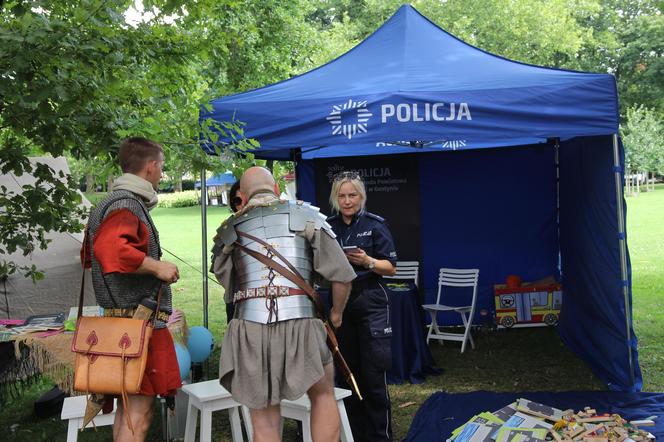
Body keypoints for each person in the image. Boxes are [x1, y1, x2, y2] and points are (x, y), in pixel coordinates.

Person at [211, 166, 356, 442]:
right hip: (302, 320)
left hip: (250, 328)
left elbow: (228, 285)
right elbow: (342, 275)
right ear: (276, 189)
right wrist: (336, 314)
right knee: (323, 395)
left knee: (264, 418)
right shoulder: (307, 216)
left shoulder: (228, 230)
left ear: (241, 195)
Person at [81, 137, 181, 441]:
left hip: (125, 323)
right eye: (161, 167)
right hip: (136, 326)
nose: (161, 174)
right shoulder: (126, 204)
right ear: (150, 167)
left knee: (129, 410)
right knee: (139, 412)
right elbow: (111, 251)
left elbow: (89, 256)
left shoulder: (110, 204)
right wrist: (157, 266)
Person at [327, 170, 397, 442]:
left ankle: (381, 437)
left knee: (373, 377)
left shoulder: (376, 224)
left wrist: (367, 261)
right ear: (336, 198)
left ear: (361, 196)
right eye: (342, 196)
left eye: (352, 195)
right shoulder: (328, 227)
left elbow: (390, 267)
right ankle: (353, 435)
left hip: (371, 301)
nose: (347, 201)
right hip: (339, 305)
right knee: (347, 376)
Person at [223, 180, 244, 323]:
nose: (242, 204)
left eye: (245, 199)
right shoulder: (228, 228)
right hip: (235, 296)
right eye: (237, 201)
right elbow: (219, 268)